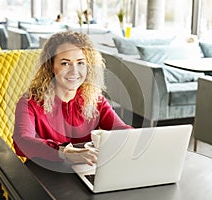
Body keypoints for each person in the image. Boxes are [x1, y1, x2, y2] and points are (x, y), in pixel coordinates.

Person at [13, 31, 131, 169]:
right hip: (46, 174)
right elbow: (22, 142)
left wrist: (138, 139)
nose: (74, 71)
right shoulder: (30, 102)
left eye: (80, 63)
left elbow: (121, 130)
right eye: (65, 63)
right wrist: (65, 152)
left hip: (87, 172)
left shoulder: (95, 99)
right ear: (51, 66)